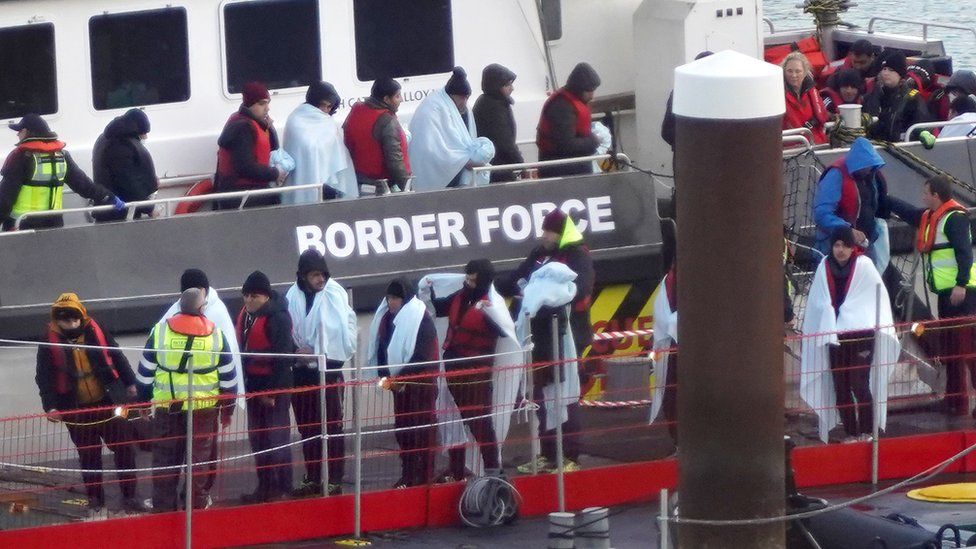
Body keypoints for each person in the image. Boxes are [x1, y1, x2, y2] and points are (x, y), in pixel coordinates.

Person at [35, 293, 148, 513]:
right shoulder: (48, 342)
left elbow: (116, 356)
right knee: (89, 456)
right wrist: (51, 406)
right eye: (65, 320)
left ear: (81, 316)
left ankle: (130, 496)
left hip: (108, 402)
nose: (71, 324)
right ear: (57, 320)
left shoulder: (96, 329)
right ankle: (96, 500)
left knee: (125, 449)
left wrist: (130, 383)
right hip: (75, 409)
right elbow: (44, 377)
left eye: (74, 319)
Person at [501, 209, 593, 473]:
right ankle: (549, 452)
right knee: (542, 397)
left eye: (548, 231)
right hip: (538, 337)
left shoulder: (578, 256)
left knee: (565, 395)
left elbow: (580, 288)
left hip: (566, 335)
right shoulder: (538, 254)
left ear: (560, 232)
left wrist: (545, 295)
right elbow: (517, 278)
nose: (544, 236)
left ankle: (570, 455)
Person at [136, 288, 238, 511]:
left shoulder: (160, 332)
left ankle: (164, 513)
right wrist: (228, 410)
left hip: (167, 410)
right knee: (199, 464)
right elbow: (229, 377)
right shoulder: (216, 334)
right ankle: (196, 510)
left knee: (165, 463)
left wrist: (143, 404)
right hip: (204, 412)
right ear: (202, 309)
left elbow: (145, 372)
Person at [889, 176, 976, 417]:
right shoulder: (931, 217)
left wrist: (961, 284)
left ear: (935, 195)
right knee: (951, 348)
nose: (922, 197)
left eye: (925, 193)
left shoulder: (954, 219)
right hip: (946, 294)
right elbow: (909, 212)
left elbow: (964, 253)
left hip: (962, 294)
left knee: (968, 348)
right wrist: (883, 200)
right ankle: (955, 401)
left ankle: (963, 400)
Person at [800, 229, 898, 443]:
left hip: (861, 335)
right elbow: (817, 301)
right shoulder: (824, 266)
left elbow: (875, 297)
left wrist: (853, 315)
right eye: (837, 245)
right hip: (835, 336)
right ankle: (851, 432)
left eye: (845, 245)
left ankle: (867, 431)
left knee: (859, 383)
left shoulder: (865, 266)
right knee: (841, 384)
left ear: (852, 247)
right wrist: (827, 314)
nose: (840, 250)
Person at [285, 249, 357, 497]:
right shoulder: (292, 296)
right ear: (304, 276)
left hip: (329, 372)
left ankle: (334, 478)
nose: (320, 280)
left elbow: (342, 333)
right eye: (315, 275)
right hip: (302, 372)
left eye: (322, 274)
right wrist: (297, 351)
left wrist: (315, 351)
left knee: (331, 427)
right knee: (308, 428)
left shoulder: (334, 294)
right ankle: (314, 476)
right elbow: (289, 327)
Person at [429, 259, 505, 481]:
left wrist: (491, 313)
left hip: (476, 374)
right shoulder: (460, 297)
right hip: (454, 369)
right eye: (467, 277)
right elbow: (440, 306)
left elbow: (504, 331)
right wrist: (429, 289)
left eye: (473, 278)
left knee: (479, 422)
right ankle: (457, 470)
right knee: (452, 420)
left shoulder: (491, 305)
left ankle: (493, 470)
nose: (468, 282)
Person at [366, 279, 440, 488]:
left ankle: (424, 476)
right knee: (404, 431)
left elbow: (423, 356)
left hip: (421, 385)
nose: (391, 302)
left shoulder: (420, 319)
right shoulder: (385, 320)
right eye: (388, 298)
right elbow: (379, 350)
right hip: (398, 387)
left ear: (404, 298)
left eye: (395, 298)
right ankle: (408, 475)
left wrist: (401, 378)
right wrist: (385, 379)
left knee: (422, 431)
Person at [1, 114, 123, 231]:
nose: (17, 134)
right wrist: (108, 196)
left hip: (21, 226)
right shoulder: (61, 155)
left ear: (27, 132)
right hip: (54, 225)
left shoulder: (21, 157)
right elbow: (83, 185)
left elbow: (6, 196)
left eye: (20, 130)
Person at [235, 271, 295, 503]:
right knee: (258, 439)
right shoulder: (247, 316)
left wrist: (272, 391)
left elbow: (283, 357)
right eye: (246, 296)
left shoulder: (278, 318)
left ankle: (283, 486)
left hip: (272, 388)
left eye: (254, 296)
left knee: (276, 438)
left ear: (266, 296)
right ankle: (266, 486)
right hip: (253, 385)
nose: (249, 300)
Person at [159, 269, 245, 400]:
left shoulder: (217, 312)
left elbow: (228, 357)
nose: (197, 295)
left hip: (206, 398)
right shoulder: (176, 308)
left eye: (199, 290)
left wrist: (227, 398)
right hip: (174, 396)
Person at [813, 137, 890, 273]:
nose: (868, 170)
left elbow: (879, 202)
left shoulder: (871, 176)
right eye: (866, 166)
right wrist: (847, 229)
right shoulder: (835, 175)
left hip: (865, 244)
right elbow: (821, 213)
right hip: (838, 247)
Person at [409, 67, 494, 191]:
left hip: (455, 173)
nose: (465, 102)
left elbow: (461, 142)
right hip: (436, 175)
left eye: (467, 98)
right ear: (452, 96)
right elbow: (431, 149)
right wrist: (465, 160)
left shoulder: (461, 108)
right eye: (462, 98)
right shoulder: (432, 109)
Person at [282, 82, 357, 204]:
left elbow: (337, 152)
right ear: (314, 101)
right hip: (302, 182)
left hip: (327, 187)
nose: (326, 111)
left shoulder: (327, 122)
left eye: (329, 107)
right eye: (324, 106)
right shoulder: (295, 120)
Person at [214, 81, 285, 209]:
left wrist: (270, 129)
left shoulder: (249, 122)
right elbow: (245, 167)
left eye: (268, 103)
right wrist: (275, 173)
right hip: (243, 195)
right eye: (262, 104)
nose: (267, 108)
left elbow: (273, 149)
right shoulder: (243, 128)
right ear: (250, 104)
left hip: (250, 192)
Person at [343, 77, 411, 194]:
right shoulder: (387, 121)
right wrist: (407, 187)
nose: (401, 100)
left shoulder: (356, 110)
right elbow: (395, 161)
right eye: (397, 96)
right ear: (386, 99)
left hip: (358, 182)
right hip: (380, 187)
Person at [91, 108, 158, 222]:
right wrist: (149, 208)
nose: (145, 137)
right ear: (136, 130)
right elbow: (129, 183)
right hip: (119, 214)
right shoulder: (121, 146)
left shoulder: (104, 139)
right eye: (144, 133)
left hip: (106, 210)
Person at [536, 62, 601, 178]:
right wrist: (593, 141)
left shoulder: (570, 102)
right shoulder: (562, 106)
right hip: (562, 171)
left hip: (573, 168)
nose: (592, 96)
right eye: (589, 91)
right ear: (579, 88)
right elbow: (565, 144)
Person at [863, 51, 932, 142]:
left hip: (901, 146)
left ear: (901, 76)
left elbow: (921, 124)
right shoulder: (872, 96)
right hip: (874, 146)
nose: (886, 73)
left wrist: (923, 134)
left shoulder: (913, 98)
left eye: (891, 70)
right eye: (884, 69)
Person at [473, 64, 524, 183]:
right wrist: (521, 165)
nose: (512, 88)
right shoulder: (494, 107)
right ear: (496, 86)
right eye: (507, 85)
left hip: (495, 166)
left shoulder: (491, 102)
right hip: (498, 168)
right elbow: (504, 141)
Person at [781, 52, 829, 144]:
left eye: (798, 71)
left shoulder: (812, 92)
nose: (794, 75)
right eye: (789, 71)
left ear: (805, 72)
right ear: (784, 72)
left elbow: (823, 116)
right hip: (793, 148)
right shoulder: (778, 95)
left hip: (817, 143)